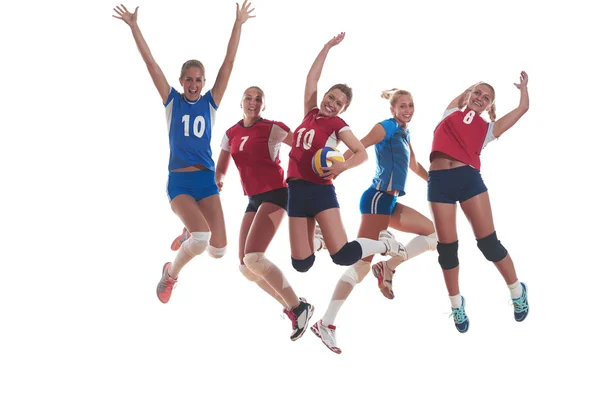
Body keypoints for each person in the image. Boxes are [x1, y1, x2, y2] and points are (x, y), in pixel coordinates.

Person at [112, 2, 255, 304]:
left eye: (198, 79)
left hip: (205, 183)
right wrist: (134, 26)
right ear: (181, 82)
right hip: (178, 183)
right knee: (202, 240)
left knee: (219, 251)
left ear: (204, 83)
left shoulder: (210, 103)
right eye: (188, 79)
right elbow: (151, 64)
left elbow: (228, 63)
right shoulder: (172, 102)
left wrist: (238, 23)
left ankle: (188, 232)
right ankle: (170, 275)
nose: (193, 84)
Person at [284, 32, 407, 346]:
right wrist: (326, 47)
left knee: (342, 257)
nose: (331, 102)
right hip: (295, 192)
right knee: (302, 263)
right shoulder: (310, 113)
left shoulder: (338, 126)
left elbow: (362, 153)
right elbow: (311, 80)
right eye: (331, 97)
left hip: (321, 191)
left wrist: (341, 166)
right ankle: (320, 239)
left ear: (342, 109)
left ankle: (383, 244)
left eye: (338, 103)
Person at [311, 88, 437, 354]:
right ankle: (326, 323)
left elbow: (413, 165)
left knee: (433, 235)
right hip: (377, 199)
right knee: (360, 266)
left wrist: (436, 183)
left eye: (411, 105)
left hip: (389, 203)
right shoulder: (387, 127)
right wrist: (333, 172)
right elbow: (360, 146)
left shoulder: (404, 132)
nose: (407, 110)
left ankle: (388, 267)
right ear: (392, 109)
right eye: (402, 106)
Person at [428, 72, 530, 333]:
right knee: (447, 250)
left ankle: (517, 291)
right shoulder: (450, 112)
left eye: (486, 99)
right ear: (470, 95)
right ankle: (455, 304)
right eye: (477, 94)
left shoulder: (488, 129)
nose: (480, 99)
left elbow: (523, 109)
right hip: (439, 182)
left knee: (488, 245)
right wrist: (473, 86)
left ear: (489, 106)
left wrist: (523, 89)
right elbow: (464, 96)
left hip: (468, 179)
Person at [214, 86, 313, 341]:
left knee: (254, 258)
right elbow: (222, 167)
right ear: (241, 102)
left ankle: (297, 307)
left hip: (277, 194)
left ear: (263, 106)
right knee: (246, 267)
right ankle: (296, 307)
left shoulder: (272, 128)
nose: (253, 102)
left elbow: (302, 146)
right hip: (253, 199)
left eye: (259, 99)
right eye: (249, 98)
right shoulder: (231, 133)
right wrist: (218, 181)